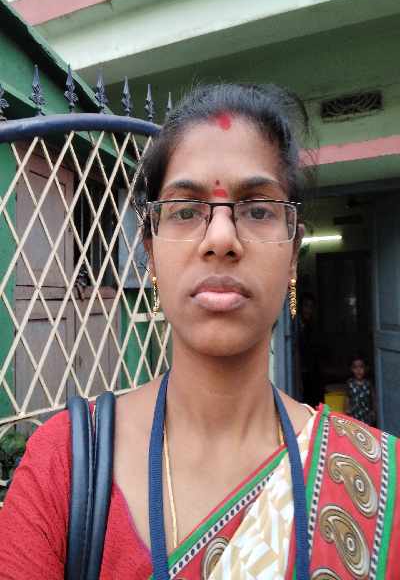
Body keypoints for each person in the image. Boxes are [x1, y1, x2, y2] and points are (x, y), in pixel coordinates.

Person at [0, 83, 399, 579]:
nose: (221, 238)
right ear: (149, 252)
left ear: (293, 253)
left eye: (258, 209)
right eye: (186, 210)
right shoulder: (62, 469)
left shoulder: (379, 482)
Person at [347, 355, 375, 425]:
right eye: (355, 367)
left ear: (366, 368)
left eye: (361, 367)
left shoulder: (368, 383)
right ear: (351, 369)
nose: (358, 370)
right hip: (354, 414)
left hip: (366, 414)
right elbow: (347, 397)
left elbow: (373, 397)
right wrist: (347, 410)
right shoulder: (350, 383)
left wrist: (374, 411)